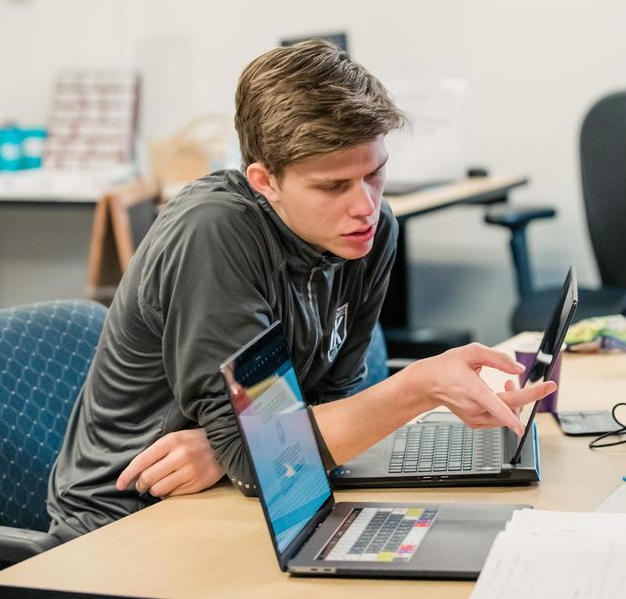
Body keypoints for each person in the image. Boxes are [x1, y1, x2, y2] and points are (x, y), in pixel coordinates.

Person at [46, 41, 554, 541]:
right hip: (122, 521)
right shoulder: (215, 234)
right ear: (265, 181)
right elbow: (261, 460)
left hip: (242, 498)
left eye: (375, 174)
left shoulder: (369, 234)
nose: (365, 206)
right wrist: (416, 388)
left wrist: (231, 451)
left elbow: (329, 404)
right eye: (333, 186)